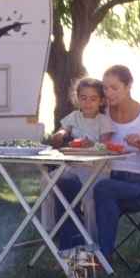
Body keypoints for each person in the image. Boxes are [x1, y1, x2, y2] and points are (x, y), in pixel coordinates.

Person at [56, 65, 140, 260]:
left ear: (129, 85)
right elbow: (79, 126)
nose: (108, 93)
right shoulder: (101, 115)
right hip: (103, 176)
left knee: (103, 189)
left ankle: (100, 258)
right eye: (105, 88)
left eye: (114, 88)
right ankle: (71, 248)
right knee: (63, 183)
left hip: (139, 184)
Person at [46, 77, 114, 241]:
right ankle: (48, 228)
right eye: (83, 98)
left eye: (93, 99)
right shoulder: (74, 116)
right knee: (47, 181)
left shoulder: (103, 120)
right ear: (77, 99)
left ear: (101, 101)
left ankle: (92, 239)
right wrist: (59, 135)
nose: (88, 103)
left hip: (96, 168)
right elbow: (63, 130)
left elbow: (106, 147)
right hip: (74, 166)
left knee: (90, 197)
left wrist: (91, 144)